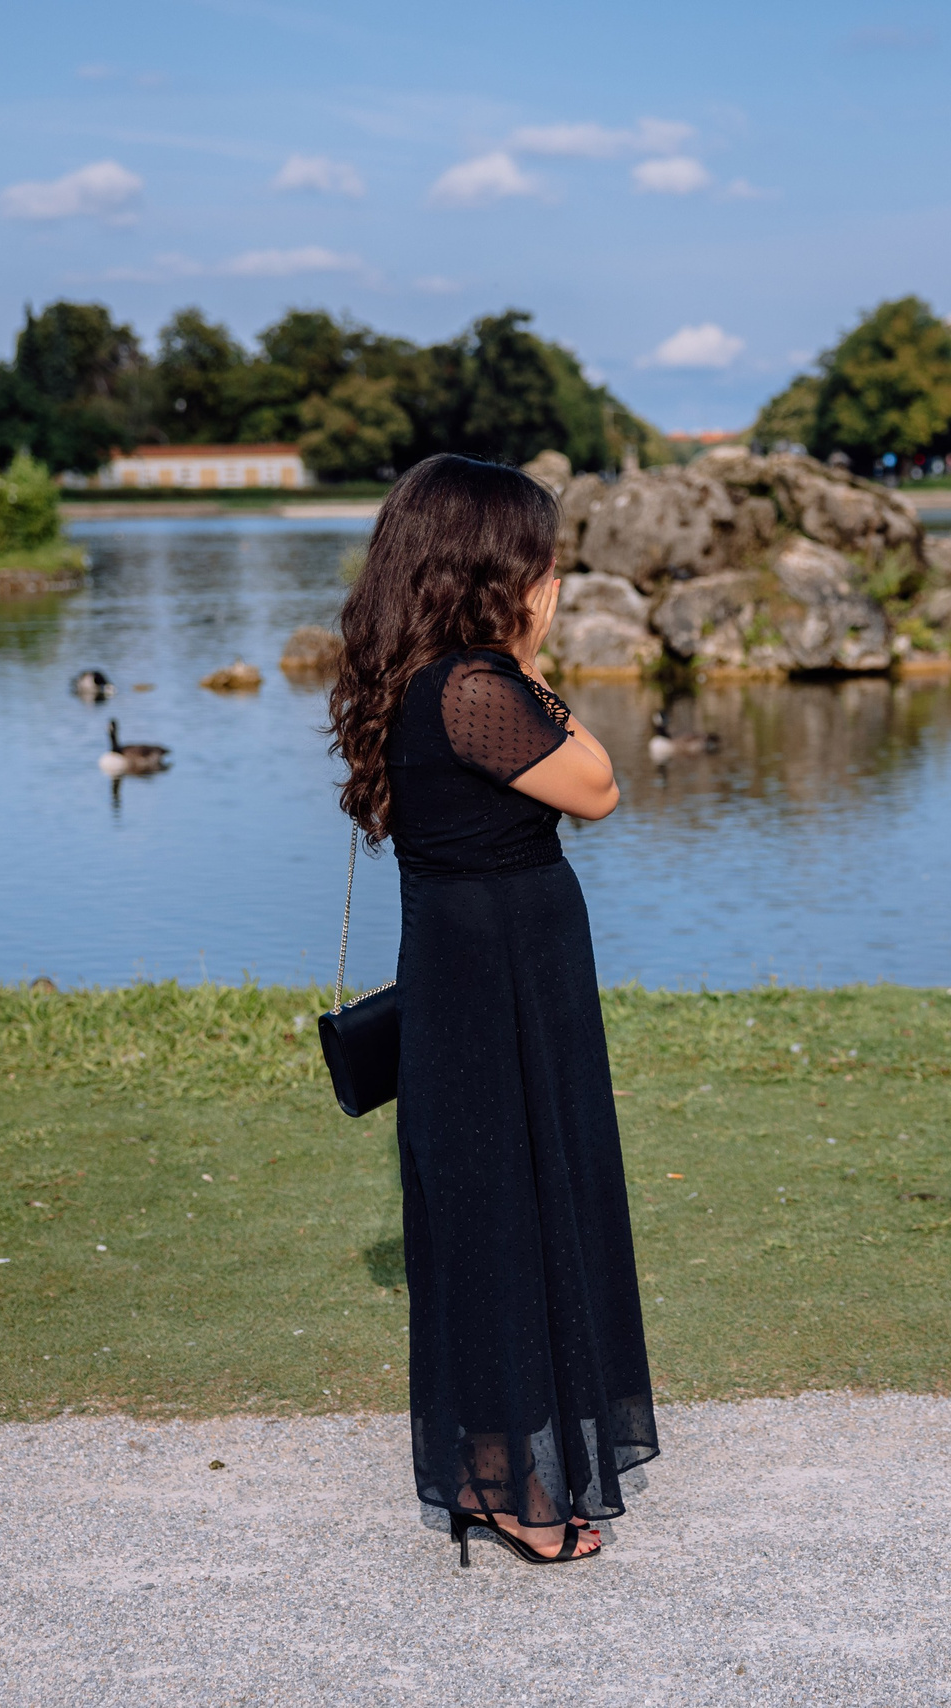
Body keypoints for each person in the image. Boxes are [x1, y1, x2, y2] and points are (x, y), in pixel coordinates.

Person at [329, 455, 657, 1566]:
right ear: (490, 568)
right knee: (508, 1217)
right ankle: (514, 1493)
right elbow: (601, 785)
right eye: (540, 558)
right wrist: (529, 654)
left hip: (492, 975)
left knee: (495, 1214)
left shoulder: (425, 675)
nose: (552, 575)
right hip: (495, 987)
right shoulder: (474, 686)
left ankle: (495, 1475)